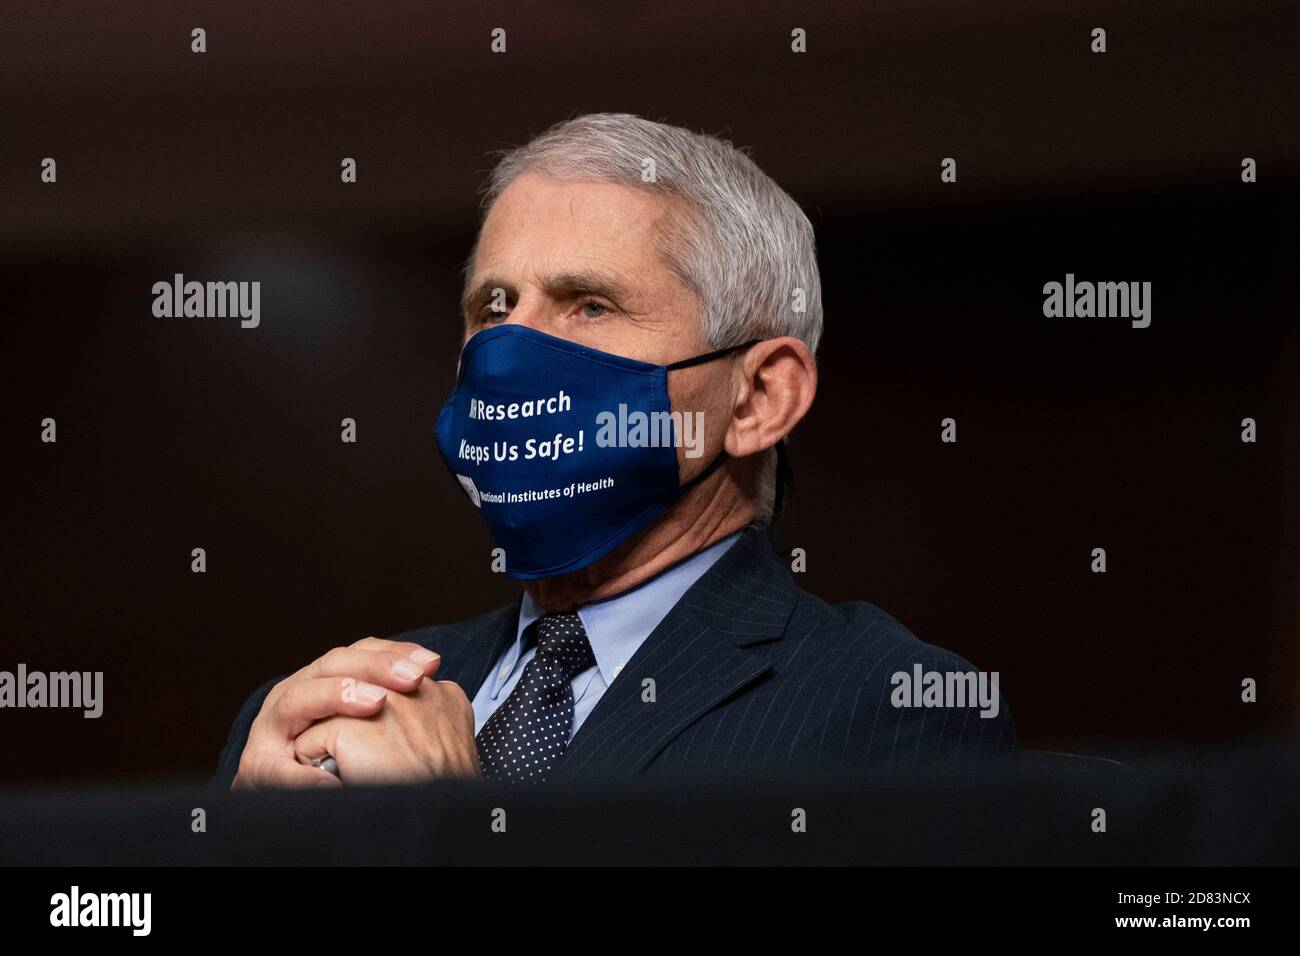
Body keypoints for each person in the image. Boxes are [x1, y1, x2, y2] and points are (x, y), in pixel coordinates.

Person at [213, 113, 1016, 790]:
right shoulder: (326, 714)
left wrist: (449, 829)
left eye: (589, 306)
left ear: (760, 397)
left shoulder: (895, 713)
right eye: (493, 308)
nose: (511, 351)